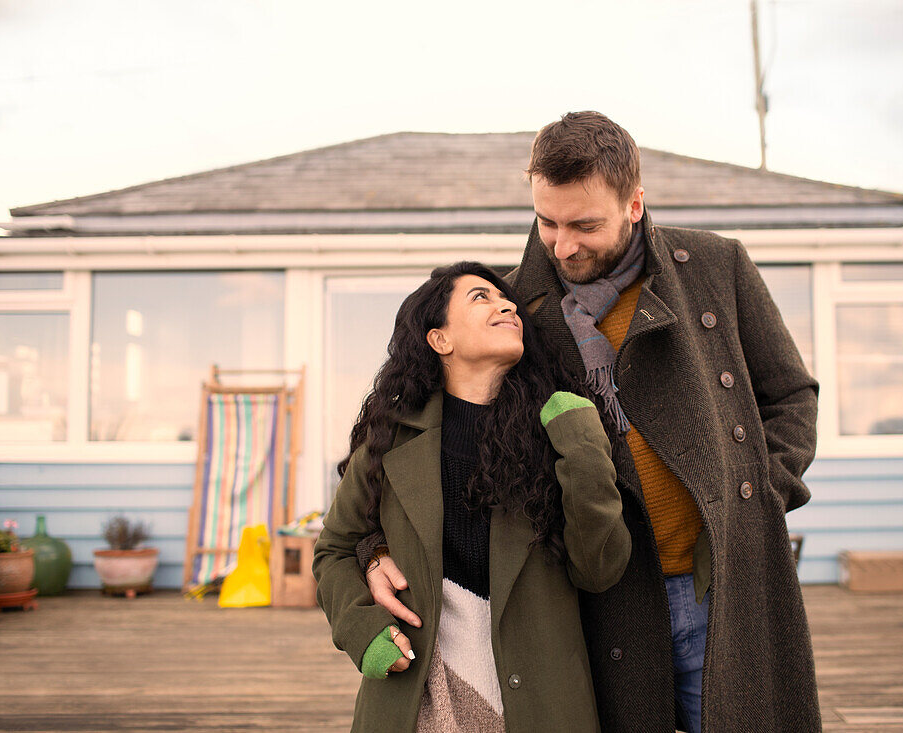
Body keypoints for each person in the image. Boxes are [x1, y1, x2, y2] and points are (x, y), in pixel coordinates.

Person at [358, 112, 822, 732]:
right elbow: (425, 432)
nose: (563, 244)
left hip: (726, 585)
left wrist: (760, 492)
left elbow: (791, 395)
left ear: (634, 204)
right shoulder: (515, 306)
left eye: (585, 225)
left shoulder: (716, 267)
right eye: (546, 222)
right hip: (605, 603)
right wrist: (375, 545)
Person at [313, 261, 631, 732]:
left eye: (507, 300)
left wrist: (584, 446)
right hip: (419, 697)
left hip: (539, 703)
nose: (506, 304)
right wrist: (362, 626)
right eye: (480, 297)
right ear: (440, 340)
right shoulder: (390, 441)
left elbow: (599, 568)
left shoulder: (558, 432)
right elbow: (334, 549)